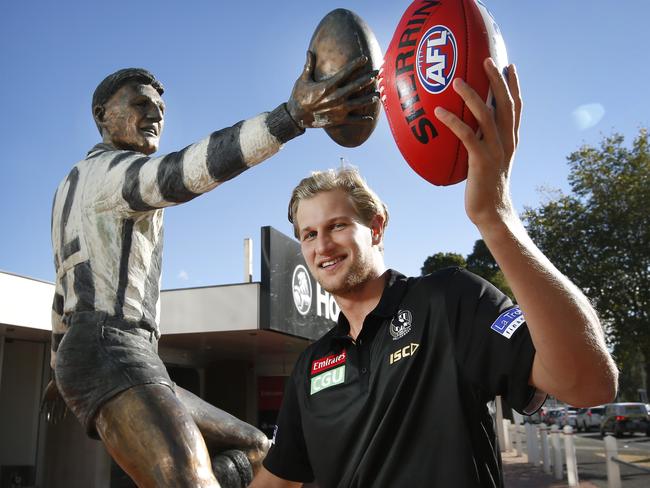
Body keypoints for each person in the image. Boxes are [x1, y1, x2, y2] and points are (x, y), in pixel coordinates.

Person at [250, 58, 618, 488]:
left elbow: (590, 383)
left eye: (337, 226)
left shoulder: (450, 300)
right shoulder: (311, 365)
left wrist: (495, 218)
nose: (322, 246)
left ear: (377, 226)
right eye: (309, 234)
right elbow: (279, 479)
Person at [47, 51, 378, 488]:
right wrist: (291, 116)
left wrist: (60, 365)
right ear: (102, 115)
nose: (154, 115)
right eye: (140, 104)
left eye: (160, 110)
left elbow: (62, 298)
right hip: (110, 347)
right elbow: (181, 172)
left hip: (113, 351)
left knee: (261, 450)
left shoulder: (70, 187)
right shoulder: (111, 173)